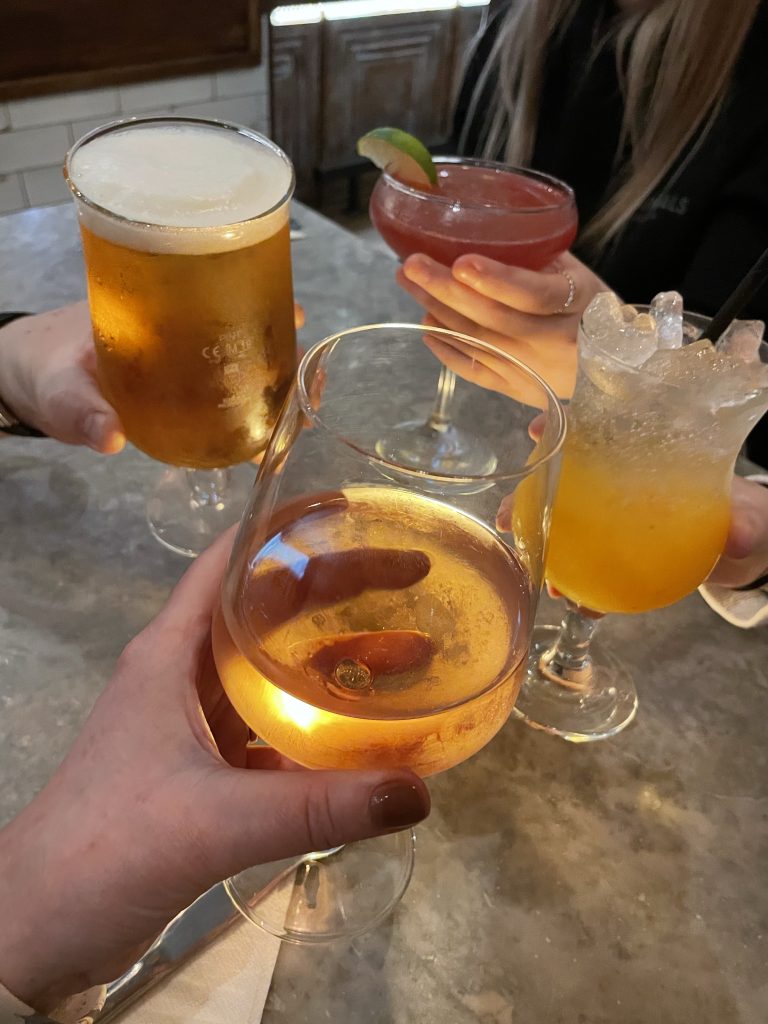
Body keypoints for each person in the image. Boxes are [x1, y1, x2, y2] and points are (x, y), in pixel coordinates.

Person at [397, 0, 768, 466]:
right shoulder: (515, 19)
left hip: (631, 460)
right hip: (489, 406)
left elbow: (739, 381)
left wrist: (616, 370)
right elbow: (460, 187)